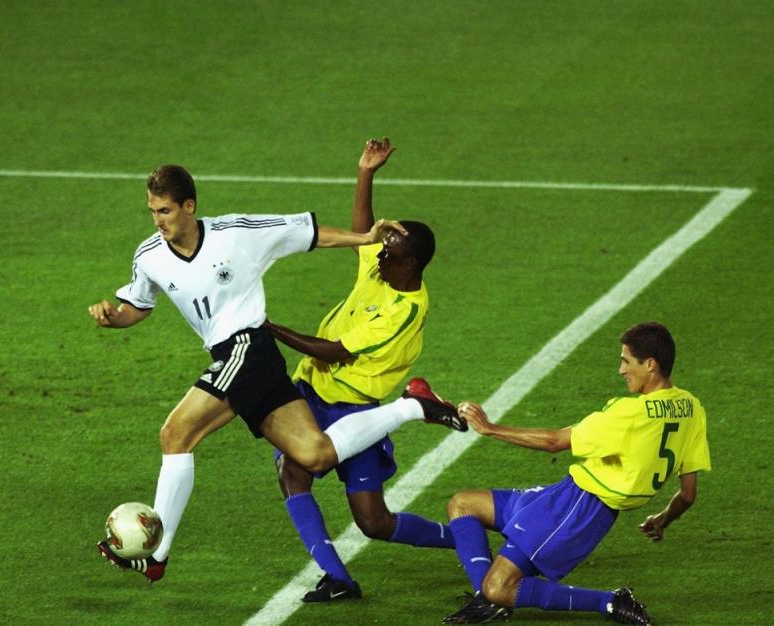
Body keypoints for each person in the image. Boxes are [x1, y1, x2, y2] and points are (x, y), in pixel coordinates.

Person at [88, 157, 466, 584]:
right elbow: (138, 305)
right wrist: (113, 318)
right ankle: (412, 408)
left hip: (247, 347)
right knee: (314, 454)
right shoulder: (150, 255)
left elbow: (309, 234)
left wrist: (363, 237)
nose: (158, 221)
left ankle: (157, 552)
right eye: (153, 212)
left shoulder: (236, 234)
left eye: (166, 211)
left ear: (189, 206)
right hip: (245, 359)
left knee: (176, 434)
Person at [264, 137, 460, 602]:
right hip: (311, 394)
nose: (377, 258)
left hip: (356, 412)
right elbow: (362, 233)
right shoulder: (386, 265)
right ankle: (337, 577)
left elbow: (334, 351)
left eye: (388, 254)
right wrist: (365, 172)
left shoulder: (405, 310)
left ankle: (467, 539)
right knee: (293, 473)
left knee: (374, 522)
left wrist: (266, 327)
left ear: (411, 263)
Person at [441, 322, 710, 625]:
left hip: (579, 509)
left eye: (626, 361)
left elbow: (555, 441)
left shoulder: (630, 414)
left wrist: (490, 428)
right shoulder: (692, 408)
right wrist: (662, 520)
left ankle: (610, 601)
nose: (621, 370)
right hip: (566, 494)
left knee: (498, 587)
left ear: (650, 365)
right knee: (462, 504)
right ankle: (487, 601)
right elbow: (688, 494)